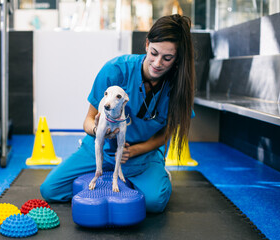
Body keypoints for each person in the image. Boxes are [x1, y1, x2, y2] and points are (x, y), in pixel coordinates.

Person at [40, 14, 195, 213]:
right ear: (147, 44)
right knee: (50, 190)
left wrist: (136, 150)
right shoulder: (116, 70)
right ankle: (114, 178)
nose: (157, 63)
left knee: (154, 203)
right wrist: (97, 131)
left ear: (177, 59)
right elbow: (87, 120)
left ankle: (154, 175)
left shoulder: (180, 87)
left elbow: (166, 133)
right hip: (100, 149)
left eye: (167, 58)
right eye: (154, 53)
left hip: (142, 156)